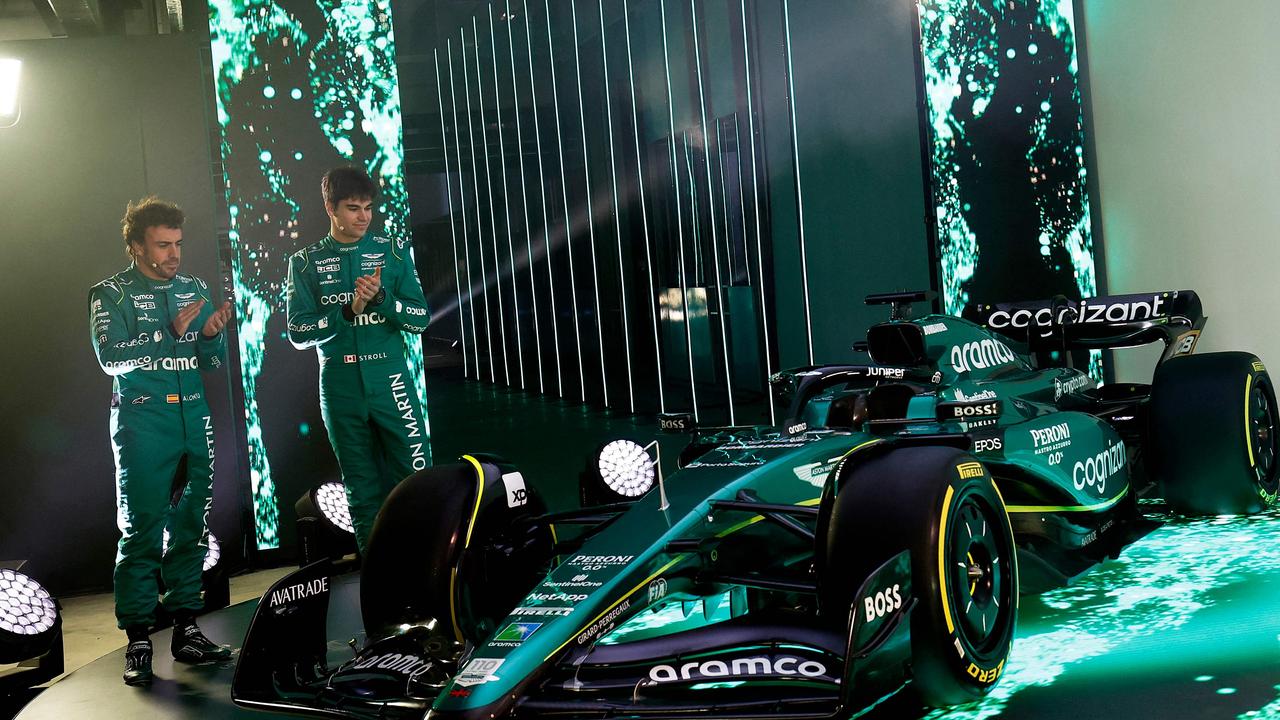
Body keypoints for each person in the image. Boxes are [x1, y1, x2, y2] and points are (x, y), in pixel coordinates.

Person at [89, 197, 235, 686]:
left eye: (178, 244)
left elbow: (210, 363)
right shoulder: (109, 294)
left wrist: (212, 334)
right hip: (142, 424)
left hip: (194, 420)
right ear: (135, 247)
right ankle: (137, 638)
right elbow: (110, 357)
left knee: (191, 527)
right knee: (142, 529)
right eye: (162, 245)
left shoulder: (192, 287)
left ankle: (187, 629)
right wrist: (166, 331)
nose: (174, 254)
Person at [286, 167, 431, 554]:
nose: (364, 217)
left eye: (368, 208)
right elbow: (298, 332)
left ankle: (424, 565)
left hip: (391, 378)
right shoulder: (305, 262)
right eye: (353, 208)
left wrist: (384, 301)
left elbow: (420, 318)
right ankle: (377, 575)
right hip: (339, 383)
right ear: (330, 208)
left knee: (416, 479)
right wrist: (347, 312)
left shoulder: (392, 252)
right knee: (361, 488)